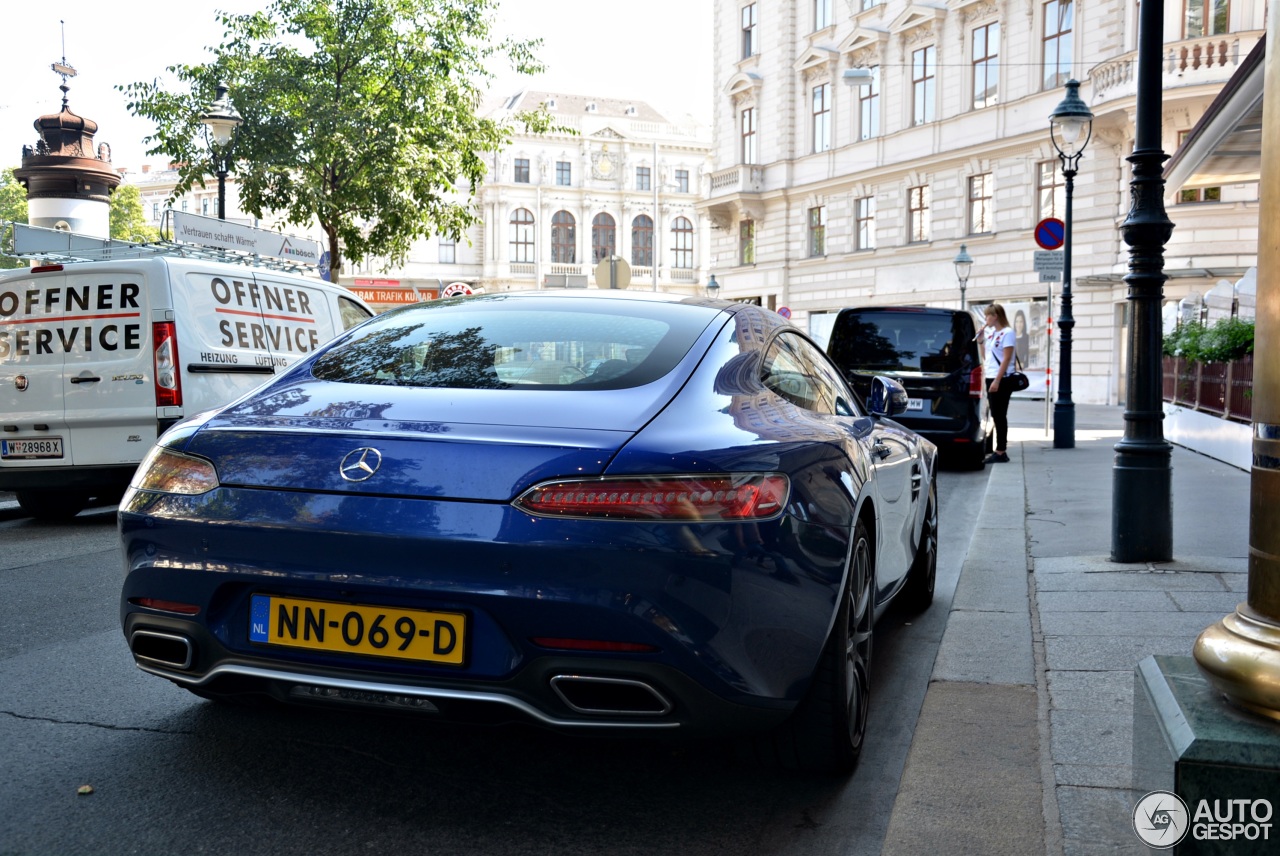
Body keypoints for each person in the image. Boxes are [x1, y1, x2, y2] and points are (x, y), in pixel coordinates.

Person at [981, 303, 1016, 464]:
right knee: (995, 413)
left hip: (1001, 379)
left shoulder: (1007, 333)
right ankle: (996, 448)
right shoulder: (992, 334)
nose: (986, 318)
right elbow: (986, 356)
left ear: (995, 316)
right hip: (991, 376)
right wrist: (981, 341)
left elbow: (1007, 358)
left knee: (999, 414)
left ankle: (1001, 451)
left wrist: (997, 380)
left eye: (988, 315)